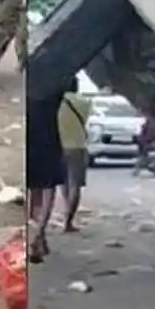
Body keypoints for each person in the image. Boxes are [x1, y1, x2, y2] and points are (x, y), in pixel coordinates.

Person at [25, 88, 66, 261]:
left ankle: (36, 236)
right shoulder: (53, 86)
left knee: (33, 191)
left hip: (30, 140)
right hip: (50, 140)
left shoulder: (27, 91)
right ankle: (38, 235)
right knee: (48, 191)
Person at [56, 78, 92, 232]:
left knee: (64, 183)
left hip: (59, 146)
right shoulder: (85, 102)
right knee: (75, 185)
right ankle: (68, 221)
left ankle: (66, 209)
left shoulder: (55, 103)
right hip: (78, 146)